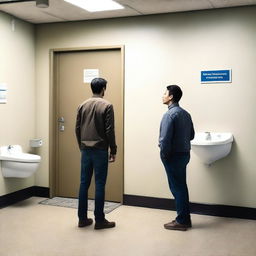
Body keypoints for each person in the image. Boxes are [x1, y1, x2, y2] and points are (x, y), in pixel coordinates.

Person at [75, 77, 117, 230]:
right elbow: (109, 130)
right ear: (103, 89)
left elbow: (77, 128)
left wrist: (82, 145)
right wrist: (113, 149)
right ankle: (99, 220)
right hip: (100, 150)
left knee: (83, 183)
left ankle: (82, 219)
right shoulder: (107, 105)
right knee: (100, 184)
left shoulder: (82, 105)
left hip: (85, 150)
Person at [159, 85, 195, 231]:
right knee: (181, 187)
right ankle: (184, 218)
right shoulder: (186, 114)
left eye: (165, 93)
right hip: (184, 155)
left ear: (171, 96)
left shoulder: (169, 115)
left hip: (172, 156)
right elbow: (191, 135)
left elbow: (165, 140)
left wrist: (164, 155)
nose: (162, 95)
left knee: (177, 188)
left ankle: (182, 221)